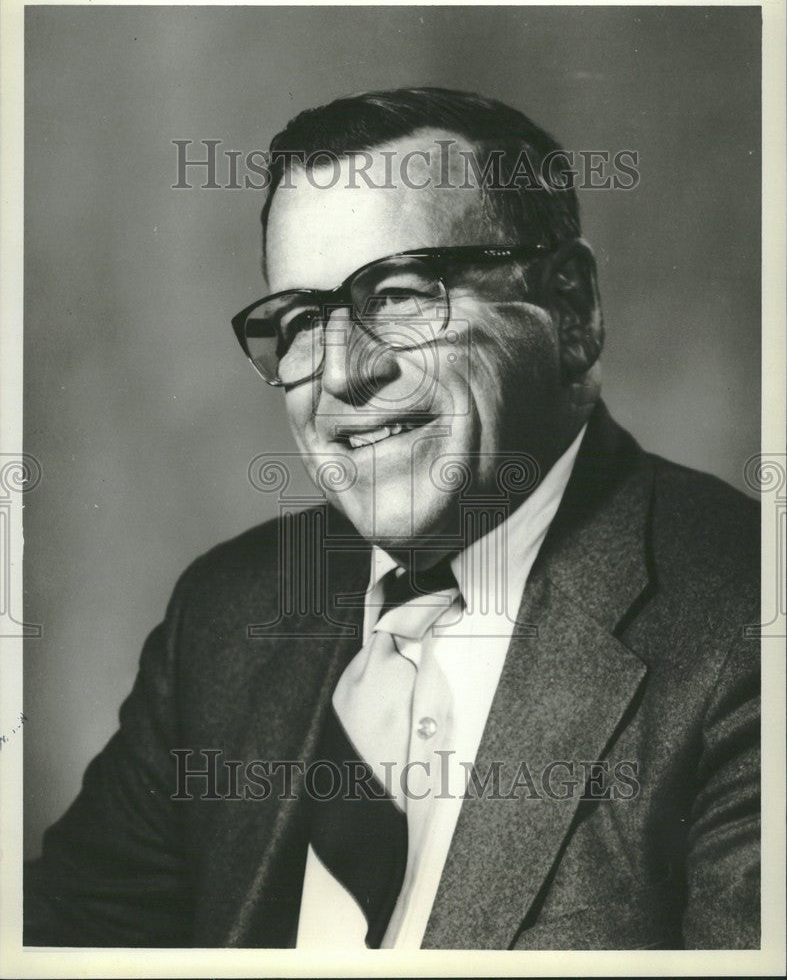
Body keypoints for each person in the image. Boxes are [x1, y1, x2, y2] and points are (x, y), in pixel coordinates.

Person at [25, 87, 759, 950]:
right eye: (301, 320)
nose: (342, 373)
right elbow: (64, 945)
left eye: (401, 293)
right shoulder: (226, 613)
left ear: (570, 309)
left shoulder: (747, 627)